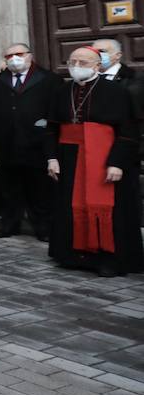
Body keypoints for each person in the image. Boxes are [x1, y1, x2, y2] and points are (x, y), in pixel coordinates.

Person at [47, 47, 142, 276]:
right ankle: (74, 255)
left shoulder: (116, 91)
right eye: (73, 61)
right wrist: (51, 157)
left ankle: (109, 259)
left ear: (97, 66)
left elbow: (128, 131)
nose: (77, 65)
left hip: (104, 158)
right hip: (69, 158)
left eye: (84, 61)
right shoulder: (62, 91)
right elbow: (51, 129)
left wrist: (117, 162)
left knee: (110, 209)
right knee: (70, 206)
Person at [0, 43, 57, 240]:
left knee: (40, 191)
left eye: (19, 54)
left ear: (30, 56)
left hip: (37, 147)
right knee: (8, 190)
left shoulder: (49, 80)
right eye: (9, 56)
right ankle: (9, 225)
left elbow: (56, 113)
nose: (14, 58)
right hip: (6, 146)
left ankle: (43, 228)